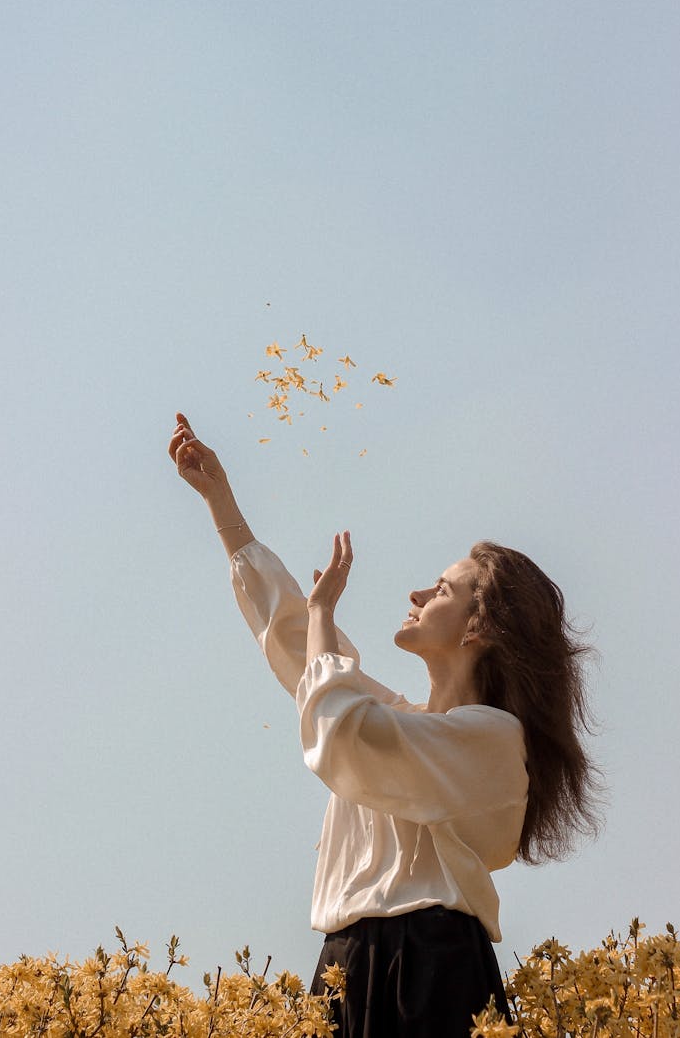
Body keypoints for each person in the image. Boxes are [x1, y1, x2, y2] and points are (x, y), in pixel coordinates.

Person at [168, 411, 601, 1037]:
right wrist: (220, 499)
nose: (418, 597)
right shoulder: (400, 721)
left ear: (479, 628)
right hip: (347, 967)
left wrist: (323, 617)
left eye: (443, 591)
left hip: (430, 967)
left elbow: (340, 729)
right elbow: (297, 648)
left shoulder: (493, 741)